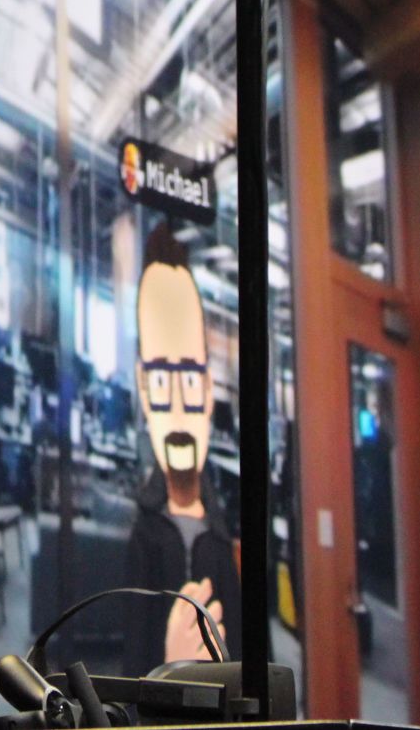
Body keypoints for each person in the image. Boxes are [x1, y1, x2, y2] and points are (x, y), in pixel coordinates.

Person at [123, 221, 242, 674]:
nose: (176, 412)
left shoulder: (220, 531)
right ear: (143, 388)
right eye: (160, 382)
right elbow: (135, 657)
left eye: (189, 381)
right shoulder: (144, 534)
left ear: (209, 391)